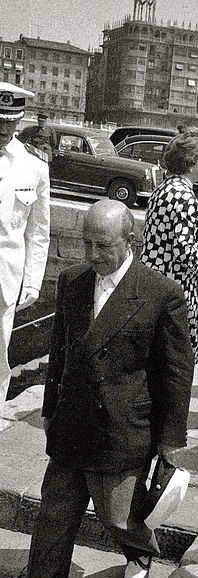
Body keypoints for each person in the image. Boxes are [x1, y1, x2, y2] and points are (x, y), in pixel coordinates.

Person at [25, 199, 194, 578]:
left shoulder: (159, 292)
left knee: (118, 518)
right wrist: (50, 409)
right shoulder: (72, 280)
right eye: (87, 245)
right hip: (71, 427)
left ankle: (140, 551)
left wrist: (170, 438)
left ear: (129, 240)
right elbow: (60, 353)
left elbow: (176, 370)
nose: (93, 255)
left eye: (103, 246)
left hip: (121, 428)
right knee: (52, 523)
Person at [141, 129, 198, 360]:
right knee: (178, 357)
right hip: (175, 288)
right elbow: (184, 252)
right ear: (191, 162)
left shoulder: (163, 189)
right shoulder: (185, 196)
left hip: (151, 281)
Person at [0, 82, 50, 426]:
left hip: (5, 277)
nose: (4, 128)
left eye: (10, 121)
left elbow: (38, 232)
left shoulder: (34, 167)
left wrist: (32, 281)